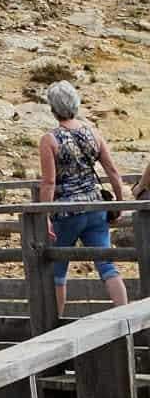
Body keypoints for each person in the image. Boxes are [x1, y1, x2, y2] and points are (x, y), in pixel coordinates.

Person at [38, 82, 128, 317]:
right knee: (107, 265)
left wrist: (44, 216)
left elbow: (49, 182)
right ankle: (126, 320)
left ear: (53, 108)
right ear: (76, 104)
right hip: (96, 207)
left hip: (66, 213)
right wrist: (119, 204)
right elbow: (113, 172)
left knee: (58, 270)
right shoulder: (93, 133)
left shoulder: (49, 140)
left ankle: (55, 325)